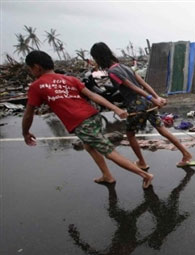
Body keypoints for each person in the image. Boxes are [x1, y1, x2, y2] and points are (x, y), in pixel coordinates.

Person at [22, 50, 154, 188]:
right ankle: (107, 176)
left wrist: (25, 132)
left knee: (109, 152)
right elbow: (93, 96)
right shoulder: (69, 79)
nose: (32, 72)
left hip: (81, 123)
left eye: (30, 68)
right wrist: (115, 108)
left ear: (37, 67)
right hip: (94, 115)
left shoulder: (36, 86)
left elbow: (29, 113)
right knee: (89, 146)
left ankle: (145, 175)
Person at [90, 42, 195, 170]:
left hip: (136, 105)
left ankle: (141, 162)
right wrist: (156, 97)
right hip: (148, 103)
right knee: (162, 129)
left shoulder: (113, 72)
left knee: (130, 135)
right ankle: (186, 154)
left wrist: (154, 98)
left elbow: (134, 87)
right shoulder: (125, 67)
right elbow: (144, 84)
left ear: (99, 57)